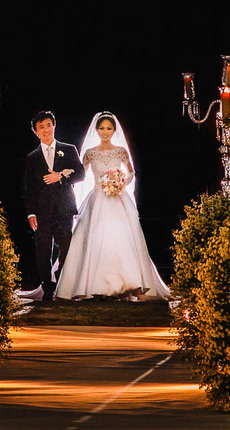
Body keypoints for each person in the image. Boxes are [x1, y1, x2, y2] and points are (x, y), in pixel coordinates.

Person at [55, 112, 169, 301]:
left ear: (114, 130)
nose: (105, 132)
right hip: (97, 199)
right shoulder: (90, 152)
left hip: (118, 199)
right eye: (102, 128)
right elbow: (81, 175)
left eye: (108, 128)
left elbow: (131, 173)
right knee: (96, 238)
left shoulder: (121, 151)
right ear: (96, 130)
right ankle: (92, 286)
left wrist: (121, 181)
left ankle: (130, 284)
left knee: (121, 239)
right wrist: (67, 172)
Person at [23, 110, 86, 300]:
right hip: (41, 210)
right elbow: (30, 188)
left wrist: (60, 177)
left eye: (48, 125)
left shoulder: (68, 149)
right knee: (43, 250)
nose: (46, 130)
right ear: (36, 131)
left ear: (54, 126)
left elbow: (81, 174)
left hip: (64, 208)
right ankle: (47, 288)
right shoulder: (32, 157)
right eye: (41, 127)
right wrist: (31, 213)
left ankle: (61, 282)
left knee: (66, 246)